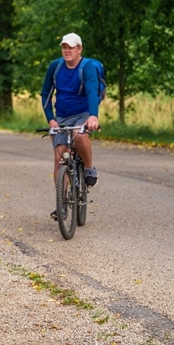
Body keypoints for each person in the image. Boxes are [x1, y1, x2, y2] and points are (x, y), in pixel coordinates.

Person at [40, 32, 100, 219]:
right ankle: (62, 203)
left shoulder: (87, 67)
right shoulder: (55, 67)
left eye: (71, 47)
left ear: (79, 49)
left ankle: (89, 167)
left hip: (83, 113)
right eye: (64, 47)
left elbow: (92, 91)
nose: (67, 51)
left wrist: (93, 116)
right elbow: (46, 94)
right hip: (62, 115)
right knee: (60, 155)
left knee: (79, 135)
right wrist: (51, 119)